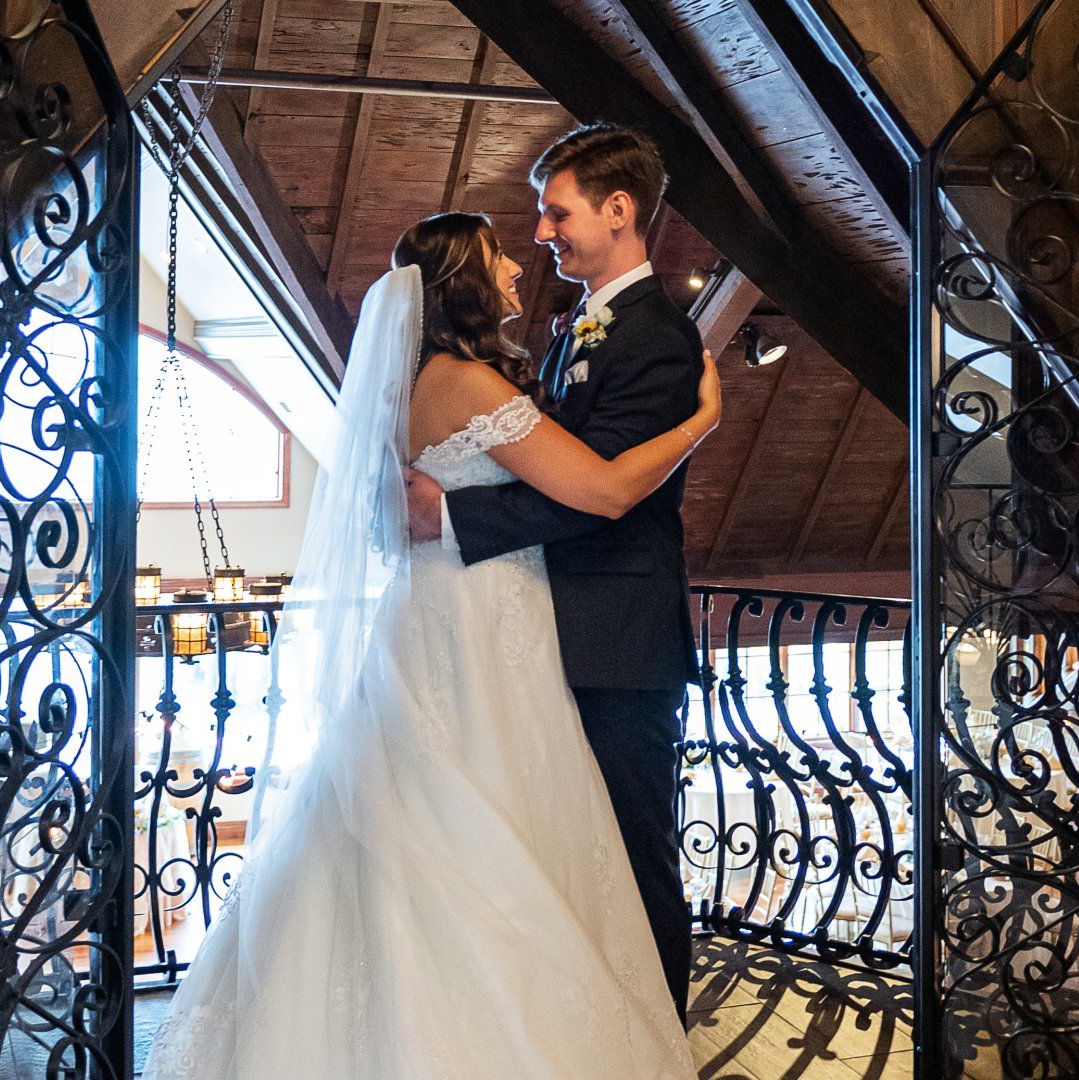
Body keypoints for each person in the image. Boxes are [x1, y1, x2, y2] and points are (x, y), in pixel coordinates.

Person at [141, 206, 717, 1078]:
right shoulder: (465, 384)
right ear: (465, 284)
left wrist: (444, 509)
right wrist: (700, 423)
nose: (520, 271)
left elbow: (404, 511)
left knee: (426, 810)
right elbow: (597, 490)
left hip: (441, 614)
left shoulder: (416, 380)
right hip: (480, 618)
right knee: (486, 816)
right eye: (500, 262)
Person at [407, 123, 704, 1020]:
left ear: (618, 211)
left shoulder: (659, 335)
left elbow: (596, 491)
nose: (541, 233)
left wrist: (451, 513)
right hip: (540, 639)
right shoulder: (578, 323)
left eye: (556, 211)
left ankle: (656, 1046)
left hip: (615, 644)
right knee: (572, 862)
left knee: (634, 863)